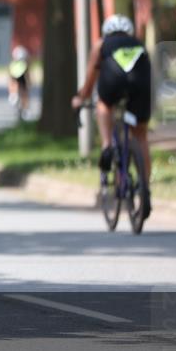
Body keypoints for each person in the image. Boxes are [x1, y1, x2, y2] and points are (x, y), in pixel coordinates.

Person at [71, 14, 152, 216]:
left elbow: (91, 77)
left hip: (113, 80)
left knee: (104, 105)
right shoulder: (138, 44)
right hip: (140, 84)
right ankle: (144, 188)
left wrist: (81, 97)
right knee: (140, 135)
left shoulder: (102, 44)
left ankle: (107, 145)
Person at [8, 45, 31, 115]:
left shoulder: (24, 64)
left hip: (21, 75)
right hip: (17, 74)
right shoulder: (14, 65)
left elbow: (27, 75)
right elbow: (11, 79)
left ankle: (25, 108)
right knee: (18, 85)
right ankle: (14, 96)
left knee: (24, 91)